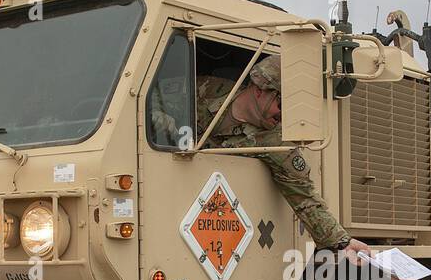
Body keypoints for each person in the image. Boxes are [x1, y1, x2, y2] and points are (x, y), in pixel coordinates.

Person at [153, 56, 368, 257]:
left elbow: (304, 196)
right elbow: (147, 97)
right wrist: (160, 121)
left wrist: (341, 242)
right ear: (260, 90)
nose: (284, 116)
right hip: (164, 200)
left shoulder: (276, 141)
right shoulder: (205, 89)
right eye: (282, 105)